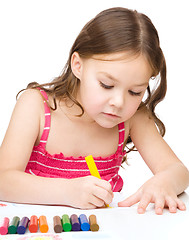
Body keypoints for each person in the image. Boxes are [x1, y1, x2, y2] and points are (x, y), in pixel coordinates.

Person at [0, 7, 188, 215]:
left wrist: (163, 182)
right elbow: (3, 179)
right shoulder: (36, 106)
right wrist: (66, 192)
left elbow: (179, 171)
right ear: (78, 65)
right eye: (106, 85)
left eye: (135, 92)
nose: (118, 102)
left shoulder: (134, 118)